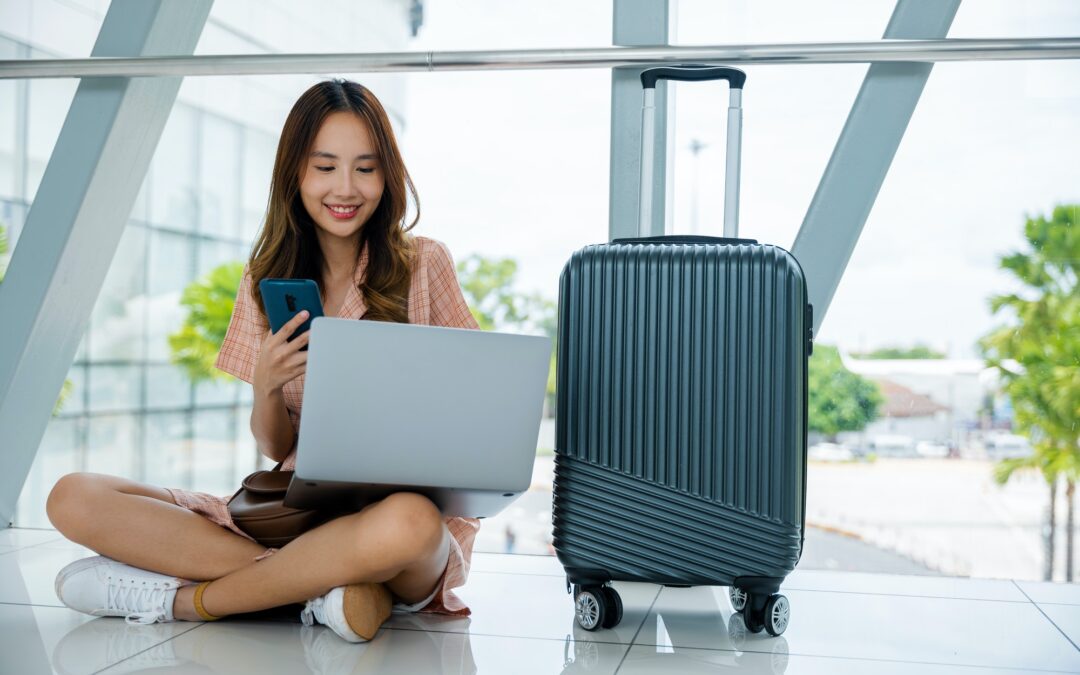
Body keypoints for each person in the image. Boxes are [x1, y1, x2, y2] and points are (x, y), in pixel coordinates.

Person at [45, 79, 481, 643]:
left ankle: (188, 602)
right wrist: (267, 387)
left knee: (410, 521)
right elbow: (277, 449)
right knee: (73, 496)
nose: (345, 188)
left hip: (398, 528)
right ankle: (330, 590)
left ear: (387, 175)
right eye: (325, 167)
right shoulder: (265, 277)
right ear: (294, 172)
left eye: (365, 169)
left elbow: (471, 401)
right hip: (295, 514)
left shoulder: (425, 263)